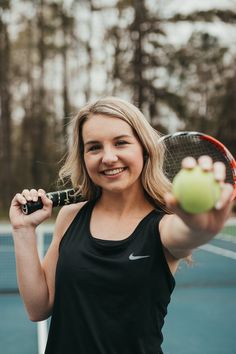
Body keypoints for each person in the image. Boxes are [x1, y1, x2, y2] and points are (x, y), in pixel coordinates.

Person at [9, 96, 233, 354]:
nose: (108, 157)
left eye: (121, 142)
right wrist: (23, 230)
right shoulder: (70, 216)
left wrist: (200, 227)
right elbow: (38, 307)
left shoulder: (163, 226)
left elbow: (188, 233)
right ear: (83, 157)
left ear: (144, 148)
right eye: (94, 147)